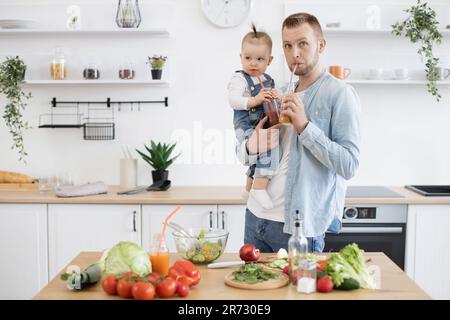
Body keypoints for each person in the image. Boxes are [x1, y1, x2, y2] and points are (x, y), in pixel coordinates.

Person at [236, 13, 362, 253]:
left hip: (296, 228)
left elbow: (349, 164)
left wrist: (305, 127)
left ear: (321, 45)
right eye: (287, 45)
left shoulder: (340, 94)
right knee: (251, 289)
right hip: (255, 217)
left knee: (296, 291)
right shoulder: (278, 92)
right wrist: (252, 146)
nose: (294, 53)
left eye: (302, 43)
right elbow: (243, 155)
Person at [228, 25, 282, 210]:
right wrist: (254, 100)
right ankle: (259, 188)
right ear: (241, 57)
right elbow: (233, 100)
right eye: (248, 58)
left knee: (261, 154)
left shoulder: (268, 79)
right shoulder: (239, 79)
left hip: (263, 122)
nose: (253, 63)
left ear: (270, 60)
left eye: (260, 59)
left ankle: (249, 189)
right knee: (271, 151)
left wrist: (275, 96)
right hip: (246, 125)